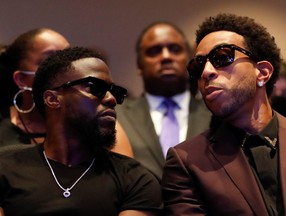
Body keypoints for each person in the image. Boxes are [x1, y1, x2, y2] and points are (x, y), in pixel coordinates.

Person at [0, 46, 162, 216]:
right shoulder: (6, 166)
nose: (111, 99)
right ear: (53, 99)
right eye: (95, 88)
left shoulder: (135, 178)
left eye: (115, 92)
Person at [162, 13, 286, 215]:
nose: (206, 72)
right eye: (198, 65)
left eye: (222, 57)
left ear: (262, 72)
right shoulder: (187, 161)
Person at [0, 28, 133, 157]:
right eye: (50, 60)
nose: (65, 69)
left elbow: (125, 174)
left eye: (68, 59)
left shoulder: (95, 120)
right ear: (21, 79)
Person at [116, 22, 211, 180]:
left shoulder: (214, 114)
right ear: (139, 65)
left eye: (175, 49)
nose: (166, 56)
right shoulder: (117, 116)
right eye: (154, 51)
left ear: (189, 60)